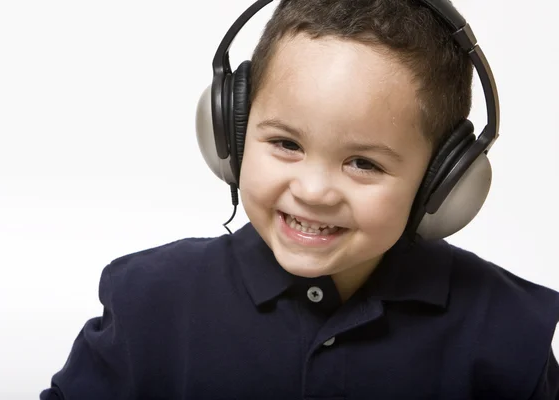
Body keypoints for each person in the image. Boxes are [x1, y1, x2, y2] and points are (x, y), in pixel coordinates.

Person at [40, 0, 559, 398]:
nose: (312, 191)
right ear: (231, 134)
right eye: (286, 144)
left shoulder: (508, 334)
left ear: (443, 184)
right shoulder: (150, 302)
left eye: (364, 163)